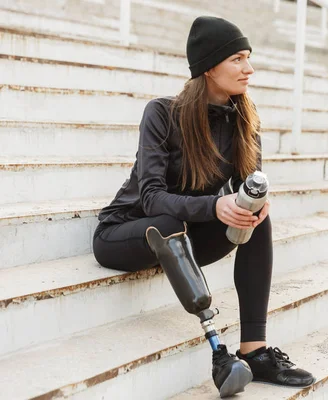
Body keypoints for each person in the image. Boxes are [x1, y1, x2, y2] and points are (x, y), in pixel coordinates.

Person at [92, 16, 315, 397]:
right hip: (127, 233)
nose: (249, 69)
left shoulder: (245, 119)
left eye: (248, 58)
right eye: (238, 59)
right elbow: (150, 198)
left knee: (257, 219)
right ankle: (215, 346)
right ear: (209, 67)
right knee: (165, 220)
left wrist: (253, 205)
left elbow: (248, 186)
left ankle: (255, 350)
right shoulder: (162, 114)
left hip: (187, 239)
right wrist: (215, 206)